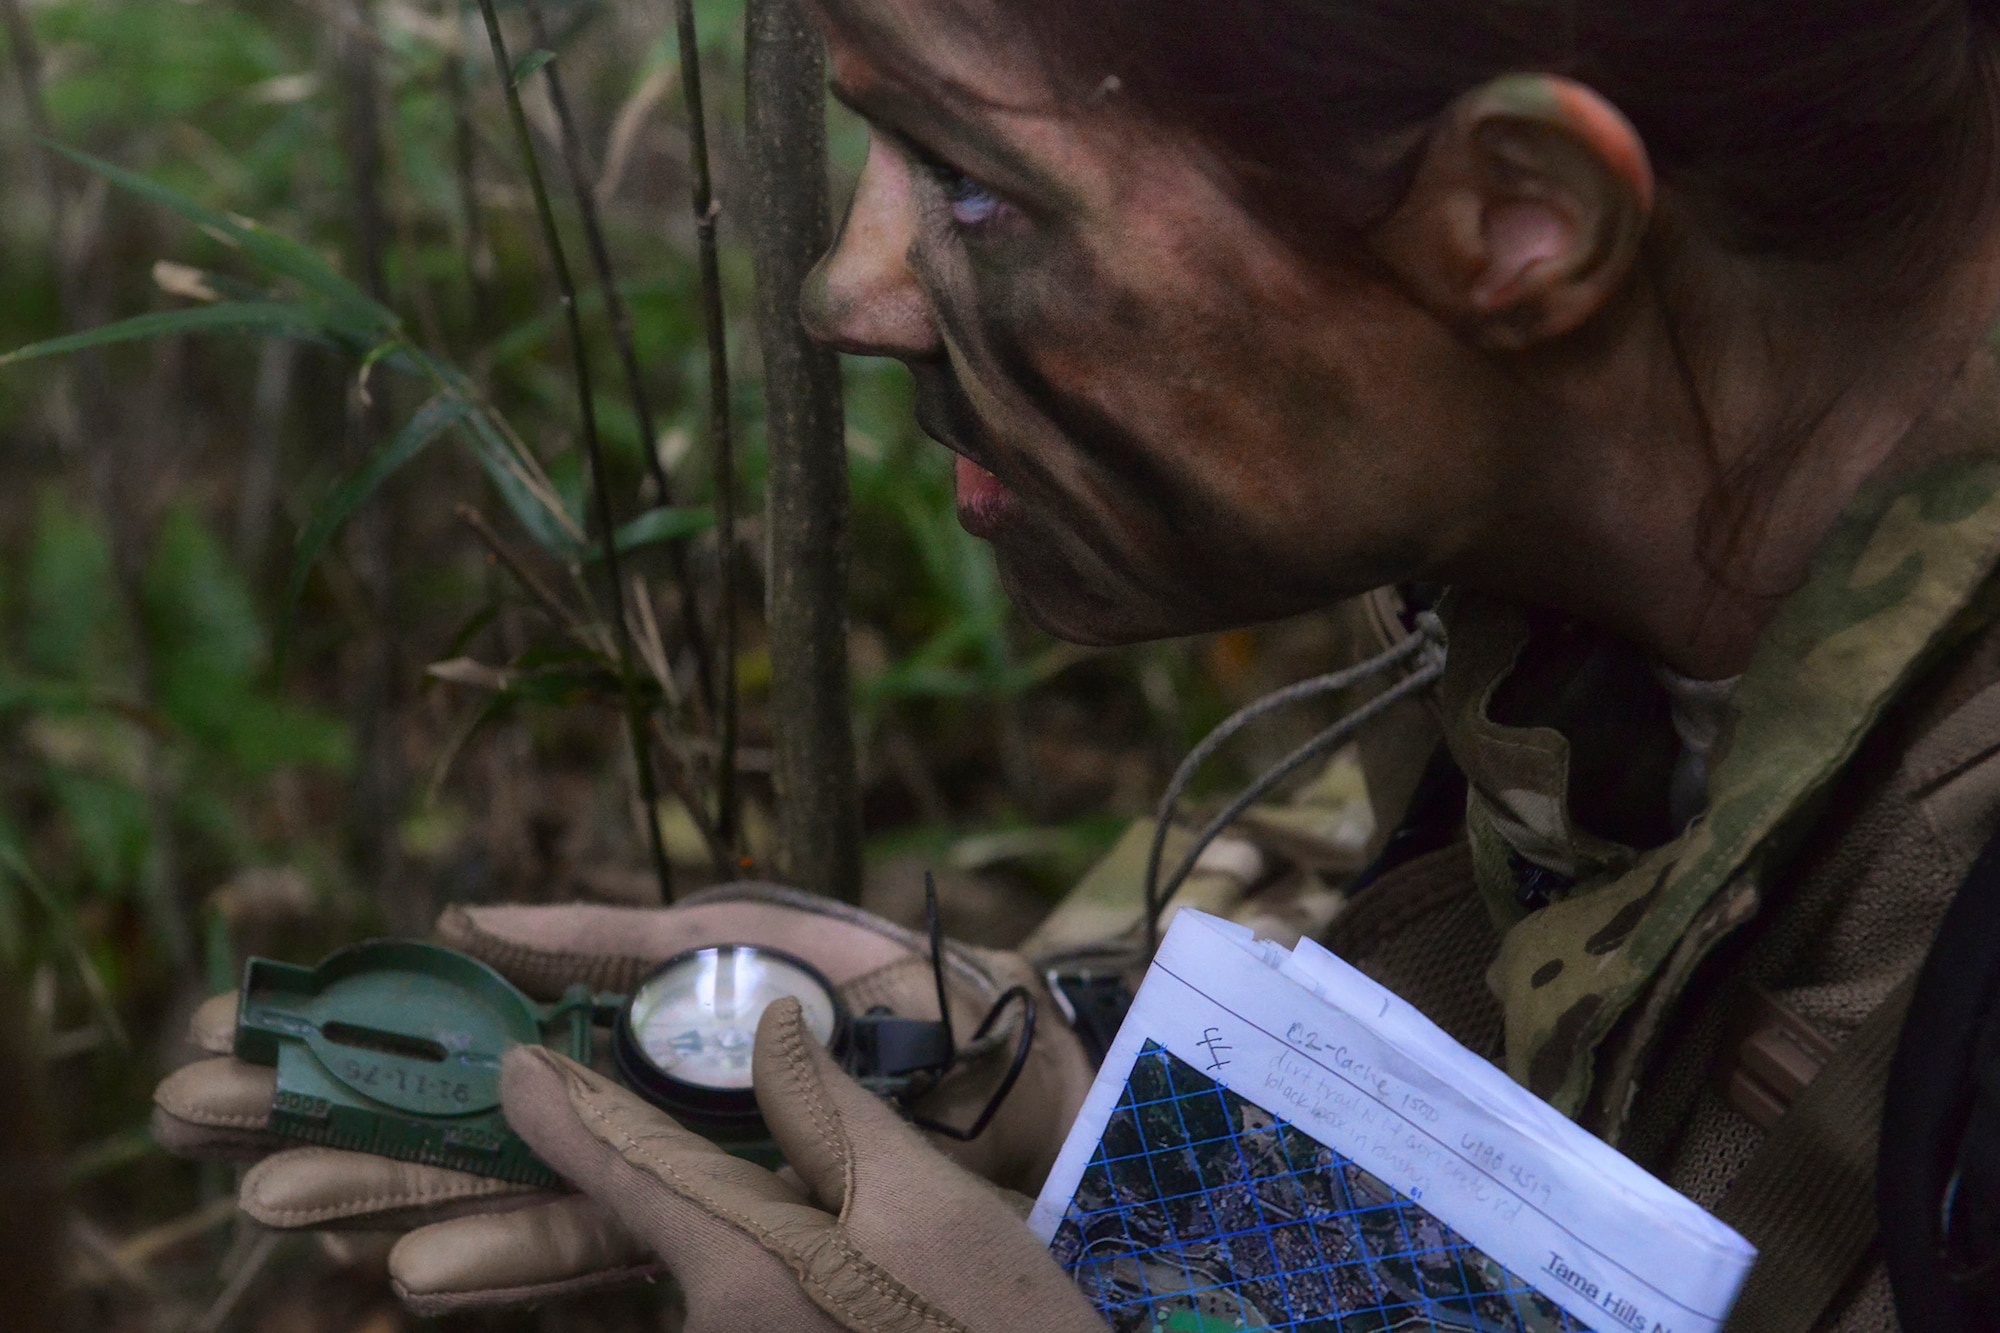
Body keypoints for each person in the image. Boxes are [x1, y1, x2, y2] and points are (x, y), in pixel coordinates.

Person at [154, 0, 2000, 1328]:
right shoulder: (1576, 609)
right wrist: (1089, 1118)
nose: (850, 288)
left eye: (970, 187)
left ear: (1520, 218)